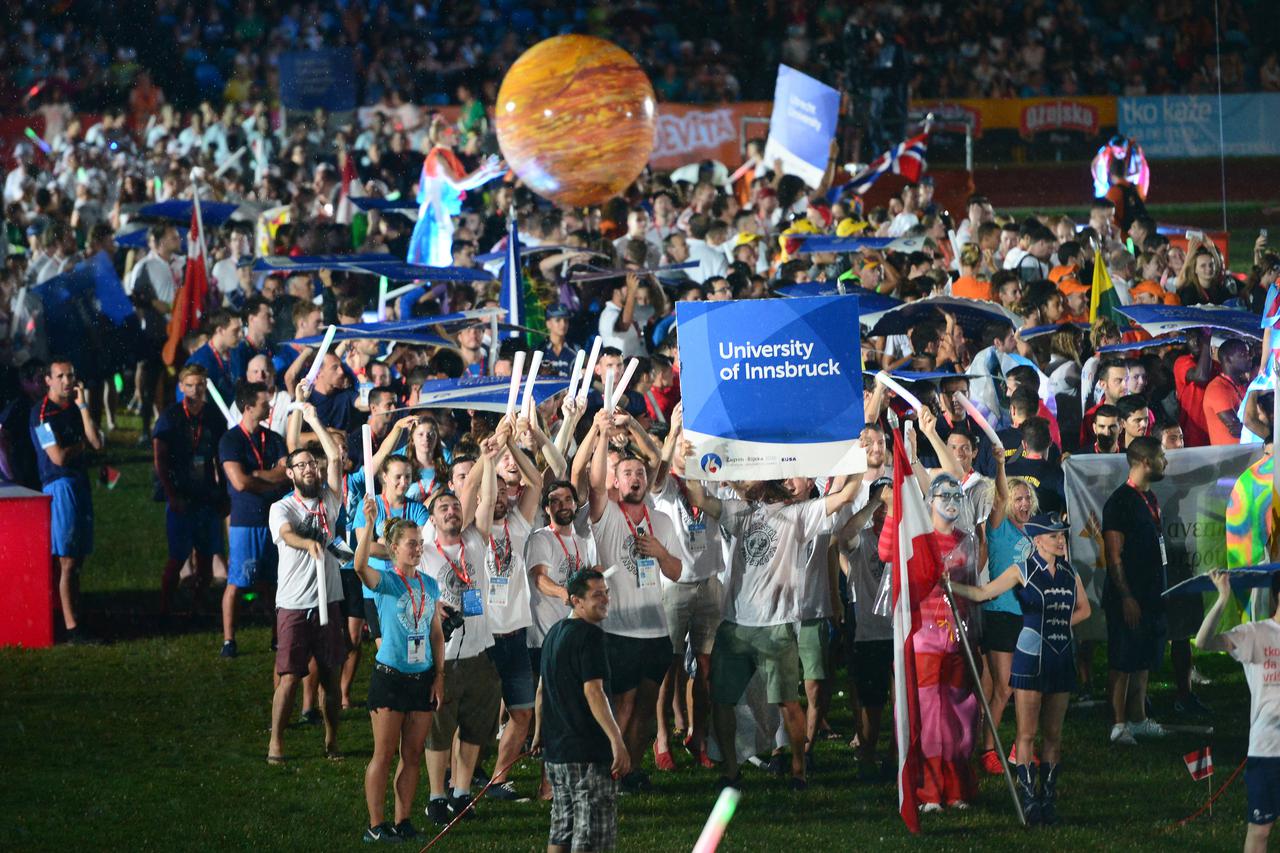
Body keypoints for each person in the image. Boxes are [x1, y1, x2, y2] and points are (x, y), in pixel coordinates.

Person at [683, 458, 863, 790]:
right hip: (735, 625)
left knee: (787, 702)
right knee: (722, 699)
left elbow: (847, 494)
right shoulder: (741, 513)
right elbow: (697, 497)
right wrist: (690, 459)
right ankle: (731, 771)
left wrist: (857, 457)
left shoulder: (798, 514)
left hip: (776, 626)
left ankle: (798, 771)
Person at [947, 513, 1091, 826]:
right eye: (1053, 536)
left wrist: (1058, 624)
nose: (1060, 540)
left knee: (1053, 734)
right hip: (1029, 656)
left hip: (1060, 656)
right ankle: (1029, 799)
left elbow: (1085, 609)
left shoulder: (1070, 572)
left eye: (1062, 535)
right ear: (1037, 541)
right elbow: (984, 593)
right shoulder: (1022, 570)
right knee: (1027, 732)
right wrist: (951, 585)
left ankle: (1048, 799)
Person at [586, 409, 685, 791]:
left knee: (646, 708)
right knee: (621, 707)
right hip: (618, 630)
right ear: (617, 480)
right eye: (627, 473)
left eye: (640, 473)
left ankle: (630, 770)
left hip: (655, 631)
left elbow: (676, 571)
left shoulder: (662, 521)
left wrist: (660, 552)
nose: (635, 478)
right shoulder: (608, 515)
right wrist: (600, 435)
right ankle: (610, 769)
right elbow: (595, 485)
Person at [352, 499, 445, 844]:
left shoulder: (429, 585)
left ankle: (402, 820)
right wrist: (368, 526)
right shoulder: (386, 581)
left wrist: (439, 676)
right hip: (390, 678)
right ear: (394, 549)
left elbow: (436, 635)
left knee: (412, 755)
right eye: (411, 544)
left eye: (420, 543)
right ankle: (376, 825)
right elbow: (359, 565)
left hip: (422, 678)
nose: (418, 549)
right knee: (384, 753)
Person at [421, 453, 501, 825]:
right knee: (440, 729)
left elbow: (486, 497)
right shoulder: (424, 554)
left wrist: (491, 461)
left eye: (455, 506)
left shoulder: (475, 539)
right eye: (443, 508)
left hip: (479, 652)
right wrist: (432, 609)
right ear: (432, 519)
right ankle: (436, 796)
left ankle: (462, 793)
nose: (452, 511)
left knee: (475, 728)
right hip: (445, 657)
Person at [265, 408, 346, 763]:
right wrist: (306, 543)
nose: (309, 469)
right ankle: (276, 743)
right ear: (290, 473)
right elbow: (285, 534)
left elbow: (335, 457)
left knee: (331, 677)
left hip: (330, 600)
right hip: (295, 603)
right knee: (289, 676)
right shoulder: (282, 508)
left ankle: (332, 741)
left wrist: (313, 418)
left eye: (312, 464)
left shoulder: (329, 500)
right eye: (301, 465)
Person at [532, 569, 630, 853]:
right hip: (587, 754)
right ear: (576, 601)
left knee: (561, 831)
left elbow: (541, 690)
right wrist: (616, 740)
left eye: (606, 593)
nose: (605, 599)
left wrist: (539, 734)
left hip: (557, 754)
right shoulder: (591, 637)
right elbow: (594, 692)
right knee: (591, 837)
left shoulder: (553, 634)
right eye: (597, 595)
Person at [1195, 570, 1279, 853]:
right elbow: (1204, 642)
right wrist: (1222, 599)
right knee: (1260, 830)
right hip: (1267, 750)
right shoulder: (1255, 634)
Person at [1102, 437, 1170, 746]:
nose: (1165, 462)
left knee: (1143, 659)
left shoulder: (1150, 497)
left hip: (1152, 592)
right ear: (1145, 462)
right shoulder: (1120, 502)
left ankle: (1138, 717)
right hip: (1127, 595)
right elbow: (1114, 555)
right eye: (1161, 457)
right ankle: (1118, 724)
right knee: (1123, 659)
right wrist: (1126, 596)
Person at [30, 357, 103, 643]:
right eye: (60, 376)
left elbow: (97, 442)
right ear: (48, 380)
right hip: (60, 486)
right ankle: (72, 627)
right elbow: (58, 457)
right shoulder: (41, 414)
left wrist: (83, 407)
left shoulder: (74, 408)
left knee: (78, 557)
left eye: (70, 376)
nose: (66, 381)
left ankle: (76, 619)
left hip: (79, 482)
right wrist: (81, 445)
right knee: (67, 560)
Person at [218, 381, 289, 656]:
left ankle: (277, 638)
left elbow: (285, 472)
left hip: (273, 519)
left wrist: (258, 475)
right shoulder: (231, 440)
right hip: (245, 520)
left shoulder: (274, 438)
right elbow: (239, 482)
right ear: (248, 407)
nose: (269, 406)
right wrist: (270, 479)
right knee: (238, 581)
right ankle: (229, 640)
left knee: (274, 583)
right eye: (264, 403)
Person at [154, 364, 228, 615]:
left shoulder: (213, 416)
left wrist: (223, 493)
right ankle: (165, 606)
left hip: (205, 493)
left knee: (206, 555)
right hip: (181, 494)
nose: (195, 390)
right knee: (178, 555)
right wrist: (171, 494)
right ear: (181, 387)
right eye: (189, 385)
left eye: (199, 385)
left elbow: (221, 457)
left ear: (205, 386)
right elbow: (160, 459)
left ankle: (199, 602)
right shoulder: (171, 417)